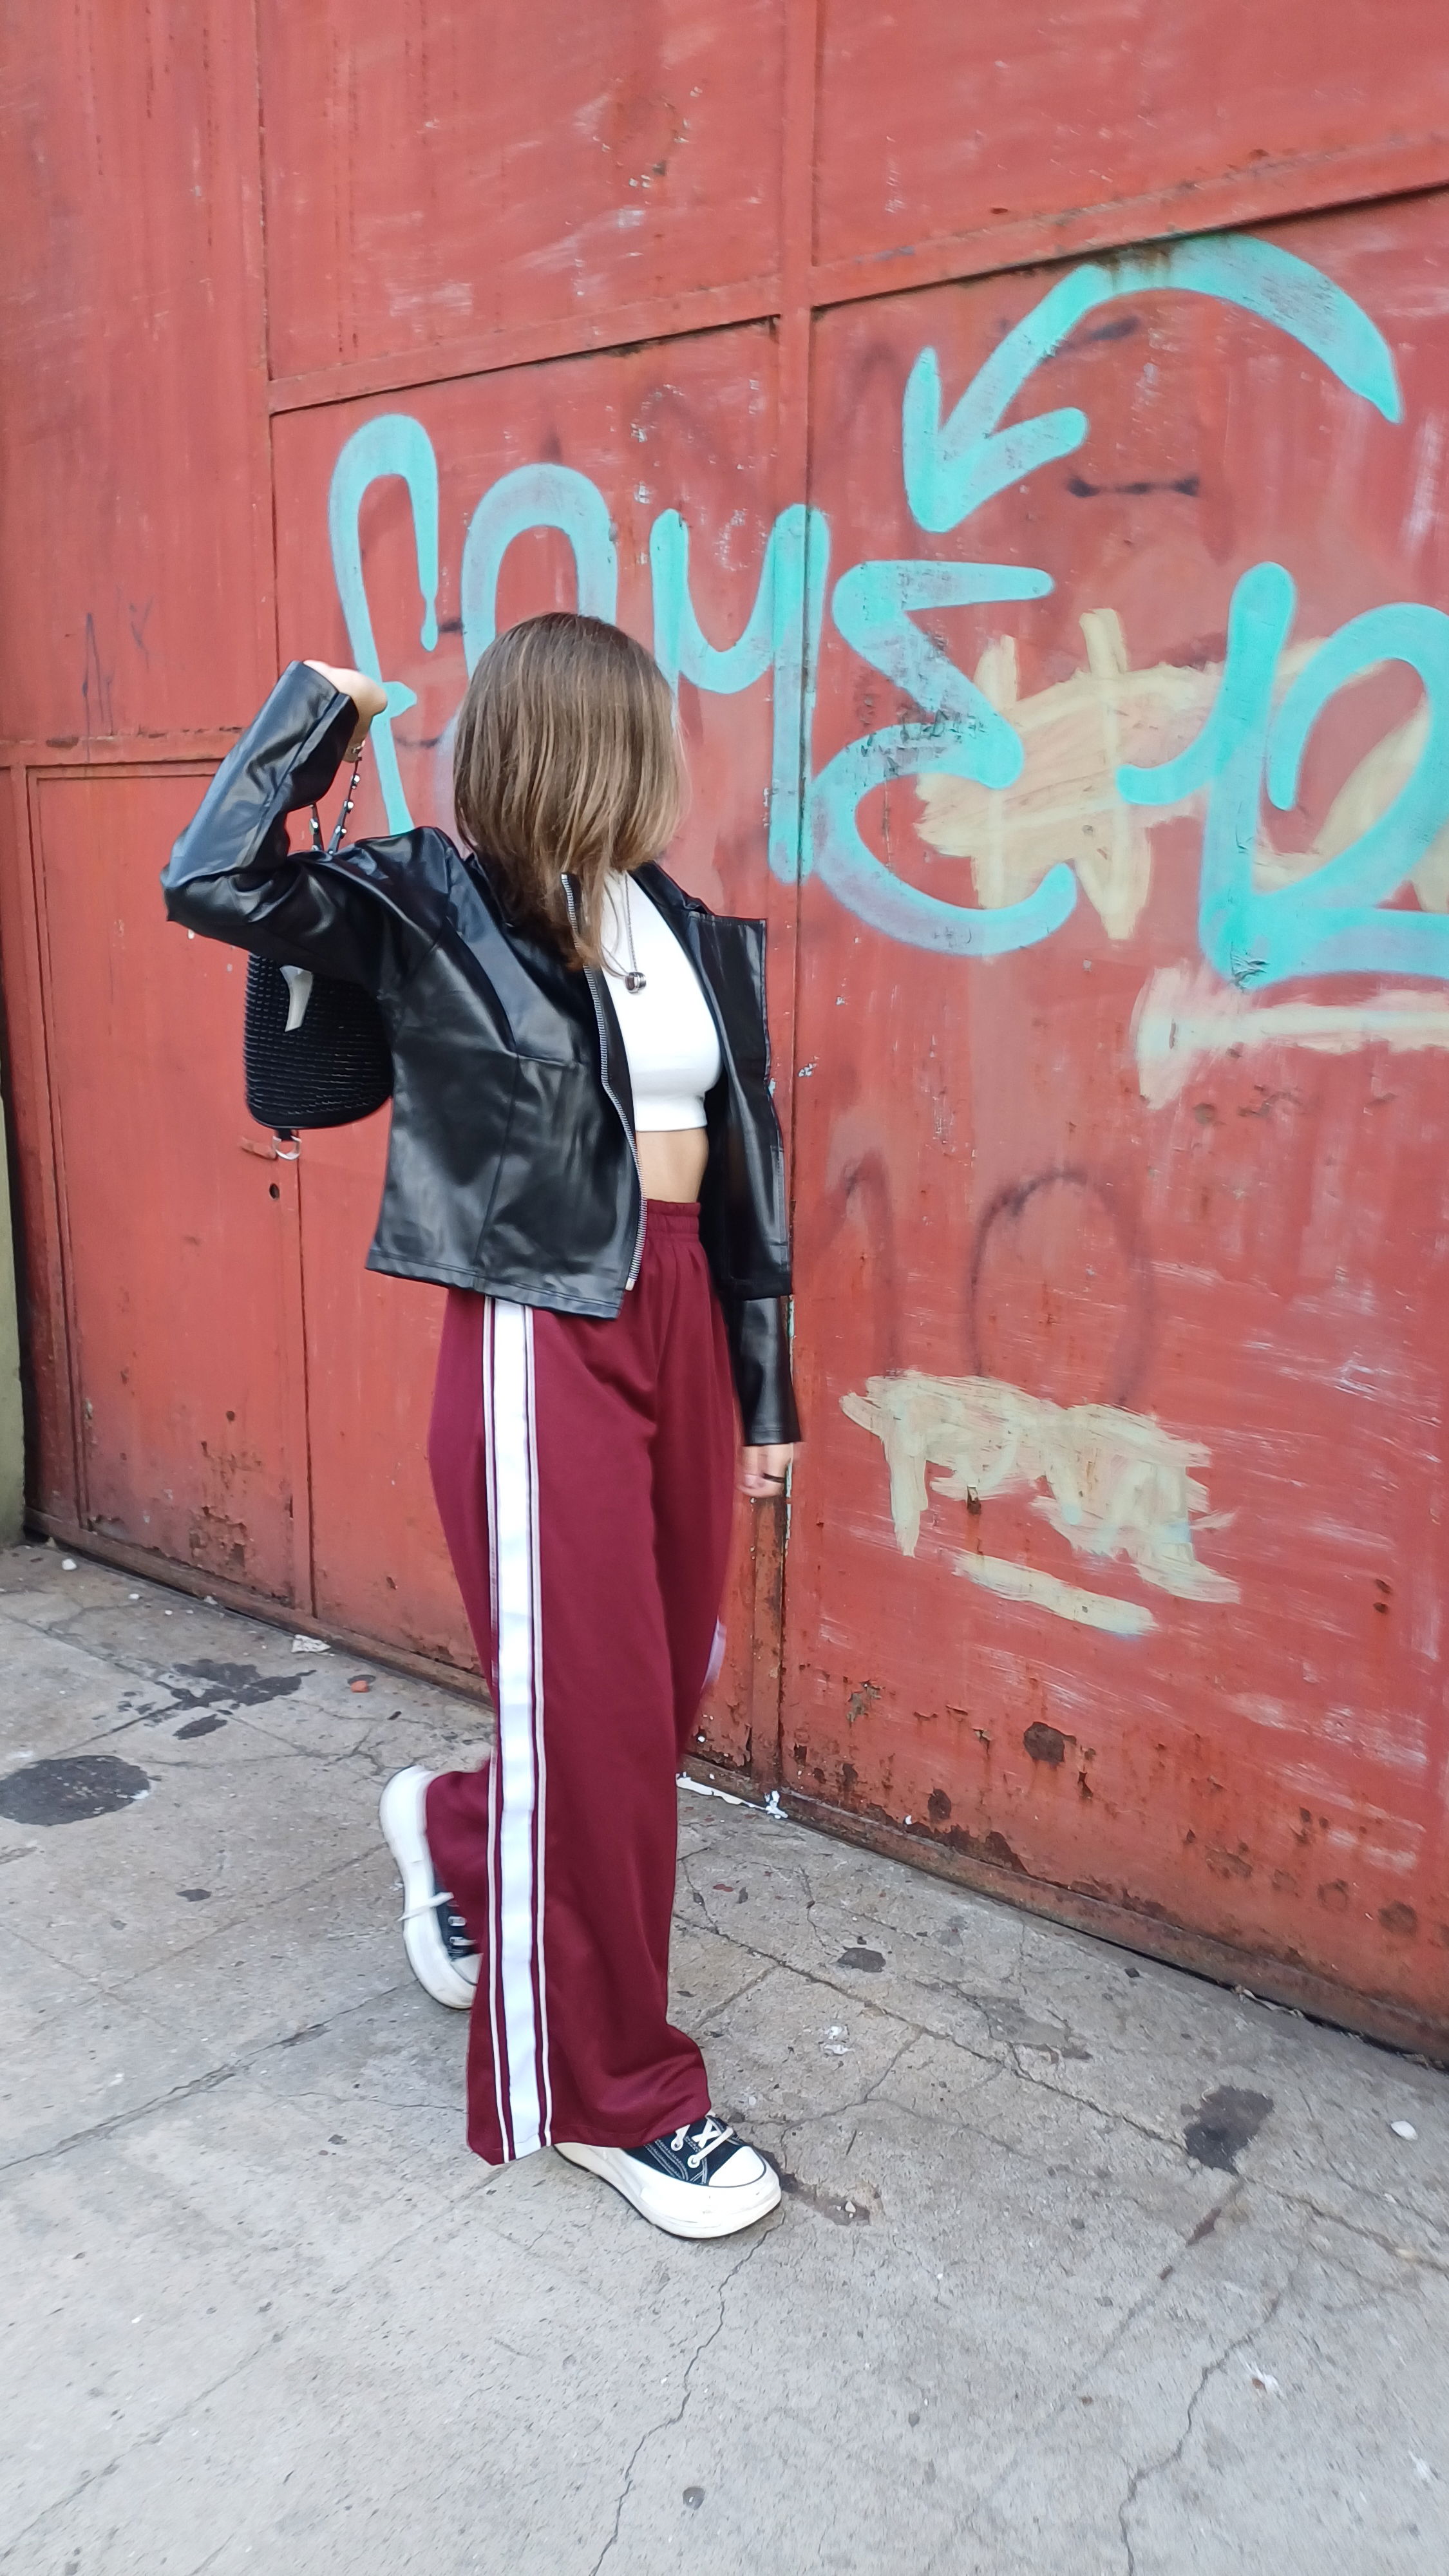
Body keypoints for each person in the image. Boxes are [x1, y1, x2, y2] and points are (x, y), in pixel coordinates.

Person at [162, 612, 799, 2240]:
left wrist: (766, 1380)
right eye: (642, 730)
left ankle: (459, 1830)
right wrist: (317, 713)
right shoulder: (436, 906)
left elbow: (747, 1165)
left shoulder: (684, 926)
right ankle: (611, 2092)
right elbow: (211, 876)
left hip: (681, 1308)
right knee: (597, 1712)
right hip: (541, 1320)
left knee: (657, 1689)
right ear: (592, 744)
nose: (663, 758)